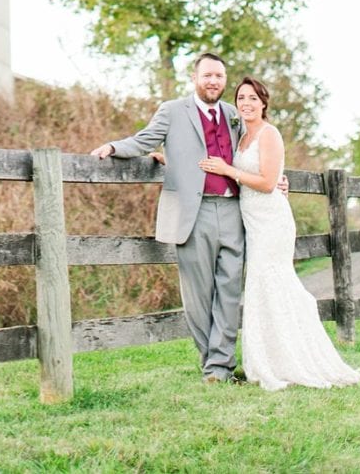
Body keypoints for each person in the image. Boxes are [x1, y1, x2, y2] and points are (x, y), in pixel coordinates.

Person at [91, 52, 260, 383]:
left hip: (233, 210)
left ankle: (220, 367)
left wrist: (275, 176)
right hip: (193, 213)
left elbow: (251, 152)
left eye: (219, 77)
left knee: (229, 292)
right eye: (208, 75)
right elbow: (144, 139)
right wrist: (113, 147)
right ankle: (213, 364)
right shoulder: (172, 111)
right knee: (198, 295)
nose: (214, 81)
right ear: (194, 78)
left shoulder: (232, 114)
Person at [194, 77, 360, 390]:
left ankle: (293, 359)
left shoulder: (269, 134)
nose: (246, 103)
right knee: (262, 288)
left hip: (271, 222)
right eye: (241, 97)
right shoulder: (242, 136)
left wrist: (228, 170)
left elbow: (268, 182)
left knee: (274, 283)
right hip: (252, 222)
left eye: (252, 98)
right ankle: (268, 360)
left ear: (263, 103)